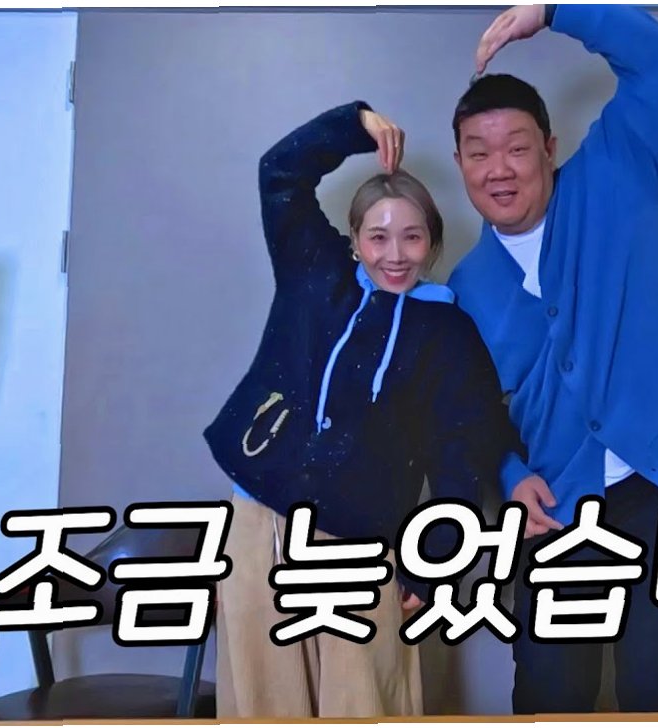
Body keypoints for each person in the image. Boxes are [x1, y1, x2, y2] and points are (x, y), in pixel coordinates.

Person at [444, 4, 658, 715]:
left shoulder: (620, 173)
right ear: (458, 164)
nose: (498, 169)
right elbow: (471, 417)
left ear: (549, 148)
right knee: (548, 691)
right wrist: (511, 477)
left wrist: (554, 10)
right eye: (478, 153)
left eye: (517, 148)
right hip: (561, 504)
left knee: (657, 685)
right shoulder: (466, 289)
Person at [203, 100, 518, 719]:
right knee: (263, 704)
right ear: (353, 241)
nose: (395, 254)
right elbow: (280, 174)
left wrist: (434, 565)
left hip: (364, 544)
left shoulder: (449, 334)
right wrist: (356, 124)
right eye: (378, 237)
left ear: (432, 242)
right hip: (259, 522)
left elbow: (459, 456)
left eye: (412, 237)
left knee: (364, 704)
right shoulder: (314, 274)